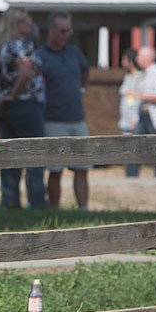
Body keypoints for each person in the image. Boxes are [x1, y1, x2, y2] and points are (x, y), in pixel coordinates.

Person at [0, 8, 47, 209]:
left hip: (6, 107)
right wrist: (13, 95)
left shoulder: (1, 45)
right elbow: (25, 74)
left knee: (9, 156)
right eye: (24, 21)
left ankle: (10, 202)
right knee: (34, 154)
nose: (28, 24)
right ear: (14, 24)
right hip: (24, 103)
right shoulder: (20, 46)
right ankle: (37, 202)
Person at [36, 11, 90, 210]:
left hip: (77, 117)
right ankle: (55, 209)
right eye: (63, 31)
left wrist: (81, 88)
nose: (67, 34)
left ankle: (84, 210)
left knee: (82, 168)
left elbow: (85, 70)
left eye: (70, 30)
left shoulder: (74, 51)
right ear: (51, 30)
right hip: (53, 120)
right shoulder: (40, 56)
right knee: (55, 169)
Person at [126, 47, 156, 177]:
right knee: (136, 145)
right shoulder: (143, 74)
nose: (137, 59)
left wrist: (138, 95)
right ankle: (131, 176)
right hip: (143, 114)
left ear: (149, 58)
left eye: (140, 56)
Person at [118, 49, 143, 177]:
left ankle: (133, 174)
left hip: (135, 117)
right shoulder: (128, 77)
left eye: (124, 59)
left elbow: (139, 99)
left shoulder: (140, 77)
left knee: (134, 147)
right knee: (126, 147)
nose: (122, 62)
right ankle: (128, 174)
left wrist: (135, 117)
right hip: (125, 117)